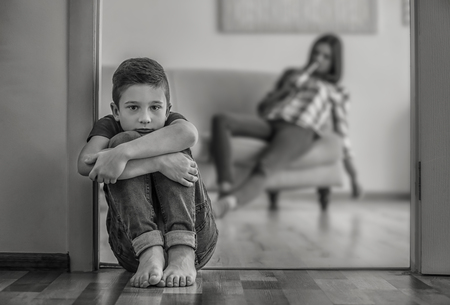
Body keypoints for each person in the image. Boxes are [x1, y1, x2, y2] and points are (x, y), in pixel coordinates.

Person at [77, 57, 218, 288]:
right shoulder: (110, 125)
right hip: (133, 250)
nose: (145, 117)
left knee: (171, 139)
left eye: (155, 107)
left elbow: (189, 134)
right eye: (133, 107)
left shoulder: (172, 122)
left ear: (168, 109)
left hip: (196, 242)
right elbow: (85, 165)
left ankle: (181, 251)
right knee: (122, 138)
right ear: (116, 110)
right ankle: (150, 251)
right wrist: (159, 162)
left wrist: (124, 154)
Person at [211, 34, 362, 218]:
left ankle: (225, 205)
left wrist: (354, 176)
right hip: (271, 122)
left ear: (334, 61)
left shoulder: (337, 91)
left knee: (265, 165)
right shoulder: (292, 75)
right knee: (221, 120)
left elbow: (343, 133)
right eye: (316, 53)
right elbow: (263, 108)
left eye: (325, 56)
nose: (318, 59)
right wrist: (285, 89)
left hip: (301, 129)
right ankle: (225, 187)